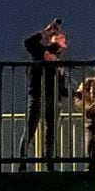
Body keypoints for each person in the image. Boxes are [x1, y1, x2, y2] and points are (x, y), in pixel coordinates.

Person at [22, 17, 69, 161]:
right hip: (38, 95)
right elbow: (28, 42)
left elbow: (62, 88)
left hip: (53, 97)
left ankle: (48, 162)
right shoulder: (41, 52)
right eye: (57, 36)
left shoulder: (59, 63)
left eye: (62, 37)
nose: (60, 36)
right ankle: (22, 161)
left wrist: (74, 92)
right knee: (30, 129)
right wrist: (46, 31)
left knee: (51, 132)